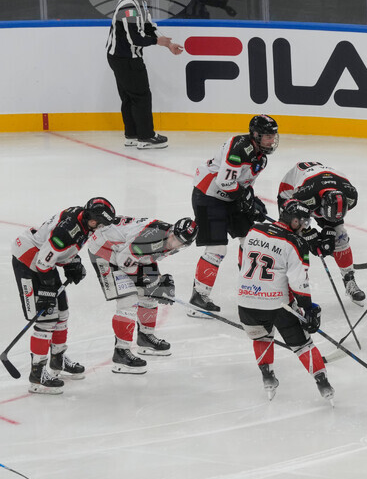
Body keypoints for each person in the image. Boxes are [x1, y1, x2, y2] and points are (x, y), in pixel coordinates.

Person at [11, 198, 117, 393]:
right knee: (47, 317)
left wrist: (72, 262)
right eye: (100, 222)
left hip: (43, 261)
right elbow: (44, 261)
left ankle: (57, 359)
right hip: (29, 260)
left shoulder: (83, 220)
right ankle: (37, 373)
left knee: (62, 312)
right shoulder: (67, 231)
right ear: (91, 218)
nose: (101, 226)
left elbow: (60, 251)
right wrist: (47, 290)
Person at [236, 200, 332, 405]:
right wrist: (308, 309)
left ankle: (267, 377)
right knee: (303, 345)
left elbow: (241, 261)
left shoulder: (254, 229)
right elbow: (299, 282)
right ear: (294, 220)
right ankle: (323, 383)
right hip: (278, 306)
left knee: (261, 338)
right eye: (304, 222)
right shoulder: (295, 243)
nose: (306, 226)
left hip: (245, 303)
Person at [189, 114, 277, 313]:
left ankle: (250, 287)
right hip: (208, 196)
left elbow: (244, 184)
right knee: (217, 249)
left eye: (273, 136)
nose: (272, 140)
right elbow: (224, 182)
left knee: (251, 241)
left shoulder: (261, 159)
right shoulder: (239, 147)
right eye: (268, 137)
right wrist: (244, 198)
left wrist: (252, 201)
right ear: (255, 135)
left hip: (230, 198)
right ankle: (198, 298)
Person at [88, 216, 198, 374]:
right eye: (174, 237)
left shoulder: (168, 239)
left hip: (126, 251)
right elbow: (123, 262)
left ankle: (146, 337)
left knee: (151, 292)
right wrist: (150, 283)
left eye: (181, 243)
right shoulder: (150, 238)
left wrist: (156, 282)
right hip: (105, 251)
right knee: (128, 299)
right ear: (172, 230)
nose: (174, 243)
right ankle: (121, 352)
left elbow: (147, 257)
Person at [105, 0, 183, 149]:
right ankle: (146, 136)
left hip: (121, 57)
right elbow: (135, 39)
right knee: (141, 96)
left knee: (130, 96)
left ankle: (132, 134)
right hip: (126, 58)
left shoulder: (139, 2)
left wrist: (167, 43)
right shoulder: (128, 7)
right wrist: (158, 41)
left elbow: (148, 26)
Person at [277, 161, 366, 304]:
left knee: (340, 235)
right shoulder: (304, 196)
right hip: (291, 190)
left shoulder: (351, 196)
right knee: (293, 239)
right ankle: (287, 284)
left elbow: (335, 220)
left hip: (324, 184)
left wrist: (329, 232)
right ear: (321, 206)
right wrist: (308, 233)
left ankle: (349, 279)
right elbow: (295, 220)